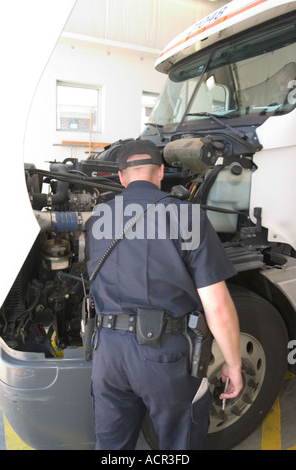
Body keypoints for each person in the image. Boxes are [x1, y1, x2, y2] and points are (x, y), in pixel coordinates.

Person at [85, 139, 243, 450]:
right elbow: (219, 307)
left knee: (112, 448)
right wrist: (233, 364)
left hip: (107, 354)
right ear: (160, 172)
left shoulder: (96, 219)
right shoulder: (187, 217)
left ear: (121, 177)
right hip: (164, 355)